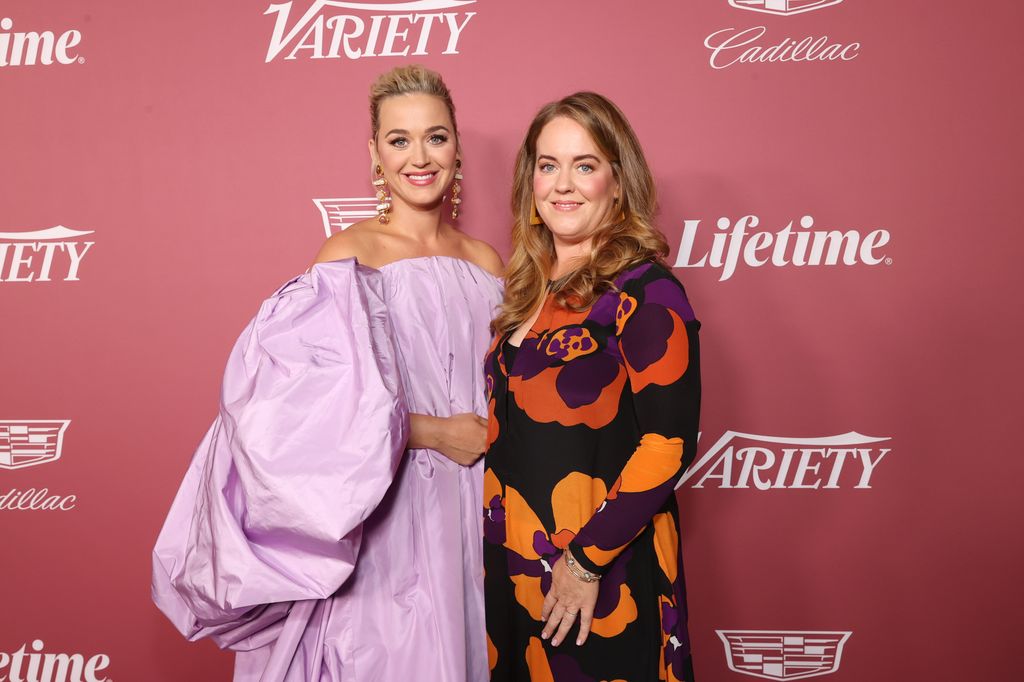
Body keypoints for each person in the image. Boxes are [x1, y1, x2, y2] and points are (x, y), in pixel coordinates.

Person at [152, 65, 503, 682]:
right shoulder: (347, 257)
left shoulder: (487, 262)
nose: (419, 157)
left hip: (477, 509)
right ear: (374, 154)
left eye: (436, 137)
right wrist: (433, 431)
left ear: (457, 148)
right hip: (387, 514)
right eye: (399, 140)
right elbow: (305, 418)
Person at [483, 92, 701, 682]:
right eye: (548, 165)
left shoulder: (648, 292)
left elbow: (668, 444)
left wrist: (581, 564)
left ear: (618, 181)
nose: (563, 184)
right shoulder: (525, 291)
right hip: (515, 575)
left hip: (603, 577)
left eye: (585, 165)